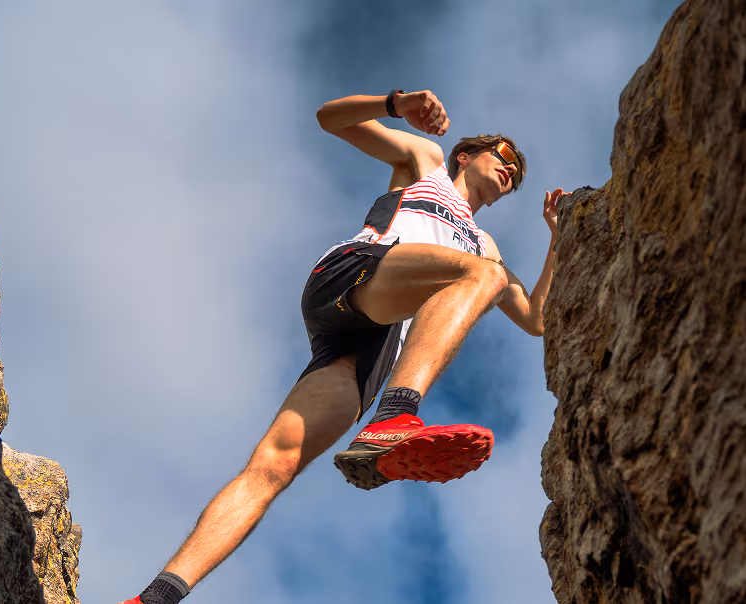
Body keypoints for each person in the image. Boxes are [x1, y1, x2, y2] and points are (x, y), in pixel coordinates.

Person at [121, 89, 567, 604]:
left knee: (275, 465)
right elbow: (329, 119)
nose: (512, 169)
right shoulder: (428, 165)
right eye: (505, 155)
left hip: (373, 344)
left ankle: (153, 599)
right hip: (354, 273)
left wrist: (555, 237)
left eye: (519, 173)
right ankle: (395, 418)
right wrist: (395, 103)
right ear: (468, 154)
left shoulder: (485, 246)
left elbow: (535, 319)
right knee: (482, 276)